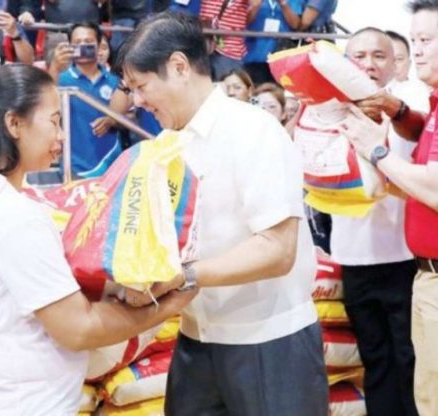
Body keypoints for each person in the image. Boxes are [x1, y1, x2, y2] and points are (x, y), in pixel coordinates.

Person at [0, 63, 196, 415]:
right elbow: (79, 328)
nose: (61, 135)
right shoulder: (8, 213)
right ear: (14, 124)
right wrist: (168, 306)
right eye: (54, 120)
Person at [116, 12, 328, 415]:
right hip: (197, 339)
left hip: (270, 343)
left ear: (179, 67)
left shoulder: (252, 131)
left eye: (141, 86)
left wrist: (186, 274)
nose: (137, 101)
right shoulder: (166, 145)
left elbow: (276, 250)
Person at [340, 1, 438, 415]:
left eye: (426, 40)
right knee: (431, 394)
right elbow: (432, 161)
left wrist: (374, 150)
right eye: (414, 41)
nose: (416, 51)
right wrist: (398, 113)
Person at [333, 27, 429, 416]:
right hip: (353, 258)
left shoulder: (411, 113)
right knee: (374, 360)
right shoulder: (326, 112)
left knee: (410, 360)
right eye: (359, 56)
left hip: (404, 257)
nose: (368, 65)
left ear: (395, 64)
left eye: (379, 56)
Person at [49, 21, 121, 178]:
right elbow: (45, 104)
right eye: (77, 43)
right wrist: (54, 68)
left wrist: (111, 120)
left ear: (99, 45)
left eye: (88, 42)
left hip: (112, 162)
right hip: (74, 165)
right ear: (69, 46)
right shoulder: (60, 78)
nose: (82, 46)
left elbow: (129, 117)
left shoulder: (114, 80)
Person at [243, 0, 303, 85]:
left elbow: (295, 25)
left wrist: (283, 4)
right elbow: (243, 21)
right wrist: (255, 6)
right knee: (256, 91)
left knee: (278, 93)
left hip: (281, 56)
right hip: (255, 54)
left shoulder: (294, 1)